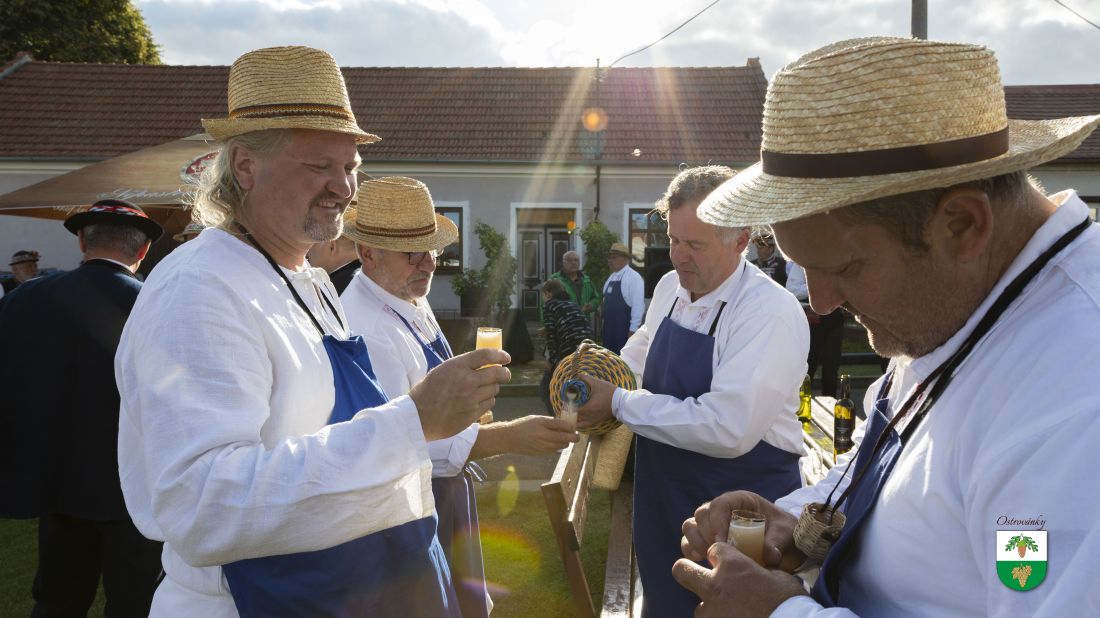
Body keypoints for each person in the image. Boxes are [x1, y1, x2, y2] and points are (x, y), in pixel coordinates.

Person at [677, 37, 1100, 617]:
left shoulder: (1077, 400)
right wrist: (798, 523)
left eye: (845, 268)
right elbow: (895, 466)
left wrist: (781, 614)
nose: (821, 302)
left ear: (962, 225)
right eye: (806, 268)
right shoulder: (961, 307)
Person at [114, 46, 511, 617]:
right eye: (319, 166)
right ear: (245, 166)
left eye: (350, 167)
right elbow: (203, 504)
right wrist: (414, 421)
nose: (344, 188)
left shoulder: (306, 279)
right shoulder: (198, 289)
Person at [576, 164, 810, 617]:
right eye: (673, 240)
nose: (679, 256)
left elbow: (728, 428)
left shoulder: (768, 311)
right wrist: (599, 382)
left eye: (695, 245)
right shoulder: (670, 289)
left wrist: (619, 402)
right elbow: (639, 353)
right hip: (663, 499)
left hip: (739, 522)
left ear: (740, 241)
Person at [339, 176, 577, 616]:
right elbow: (406, 440)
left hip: (441, 493)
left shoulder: (404, 293)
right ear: (369, 253)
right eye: (413, 253)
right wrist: (511, 436)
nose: (429, 264)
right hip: (407, 508)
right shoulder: (365, 327)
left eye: (432, 250)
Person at [0, 200, 164, 616]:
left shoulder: (26, 298)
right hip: (132, 486)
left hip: (56, 482)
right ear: (143, 249)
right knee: (136, 604)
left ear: (81, 242)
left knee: (57, 601)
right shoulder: (155, 304)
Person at [785, 262, 846, 397]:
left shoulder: (837, 258)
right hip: (812, 319)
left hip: (834, 316)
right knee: (808, 364)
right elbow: (792, 289)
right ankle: (801, 403)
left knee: (832, 365)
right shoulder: (802, 260)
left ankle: (830, 402)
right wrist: (818, 286)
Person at [539, 278, 595, 414]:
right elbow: (571, 323)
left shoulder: (549, 305)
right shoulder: (572, 304)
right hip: (587, 347)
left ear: (548, 294)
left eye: (543, 296)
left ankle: (559, 418)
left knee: (547, 388)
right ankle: (577, 416)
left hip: (567, 349)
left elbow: (551, 336)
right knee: (576, 384)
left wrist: (552, 360)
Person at [601, 241, 645, 354]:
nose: (610, 261)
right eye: (609, 258)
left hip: (624, 332)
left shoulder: (634, 277)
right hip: (608, 331)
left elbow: (638, 307)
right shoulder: (611, 278)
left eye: (614, 258)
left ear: (625, 259)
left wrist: (633, 331)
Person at [541, 250, 600, 322]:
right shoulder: (554, 280)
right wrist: (545, 324)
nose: (573, 263)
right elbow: (544, 305)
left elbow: (596, 298)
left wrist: (591, 305)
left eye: (576, 260)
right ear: (563, 263)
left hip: (583, 322)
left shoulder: (587, 280)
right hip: (563, 324)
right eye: (569, 260)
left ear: (579, 263)